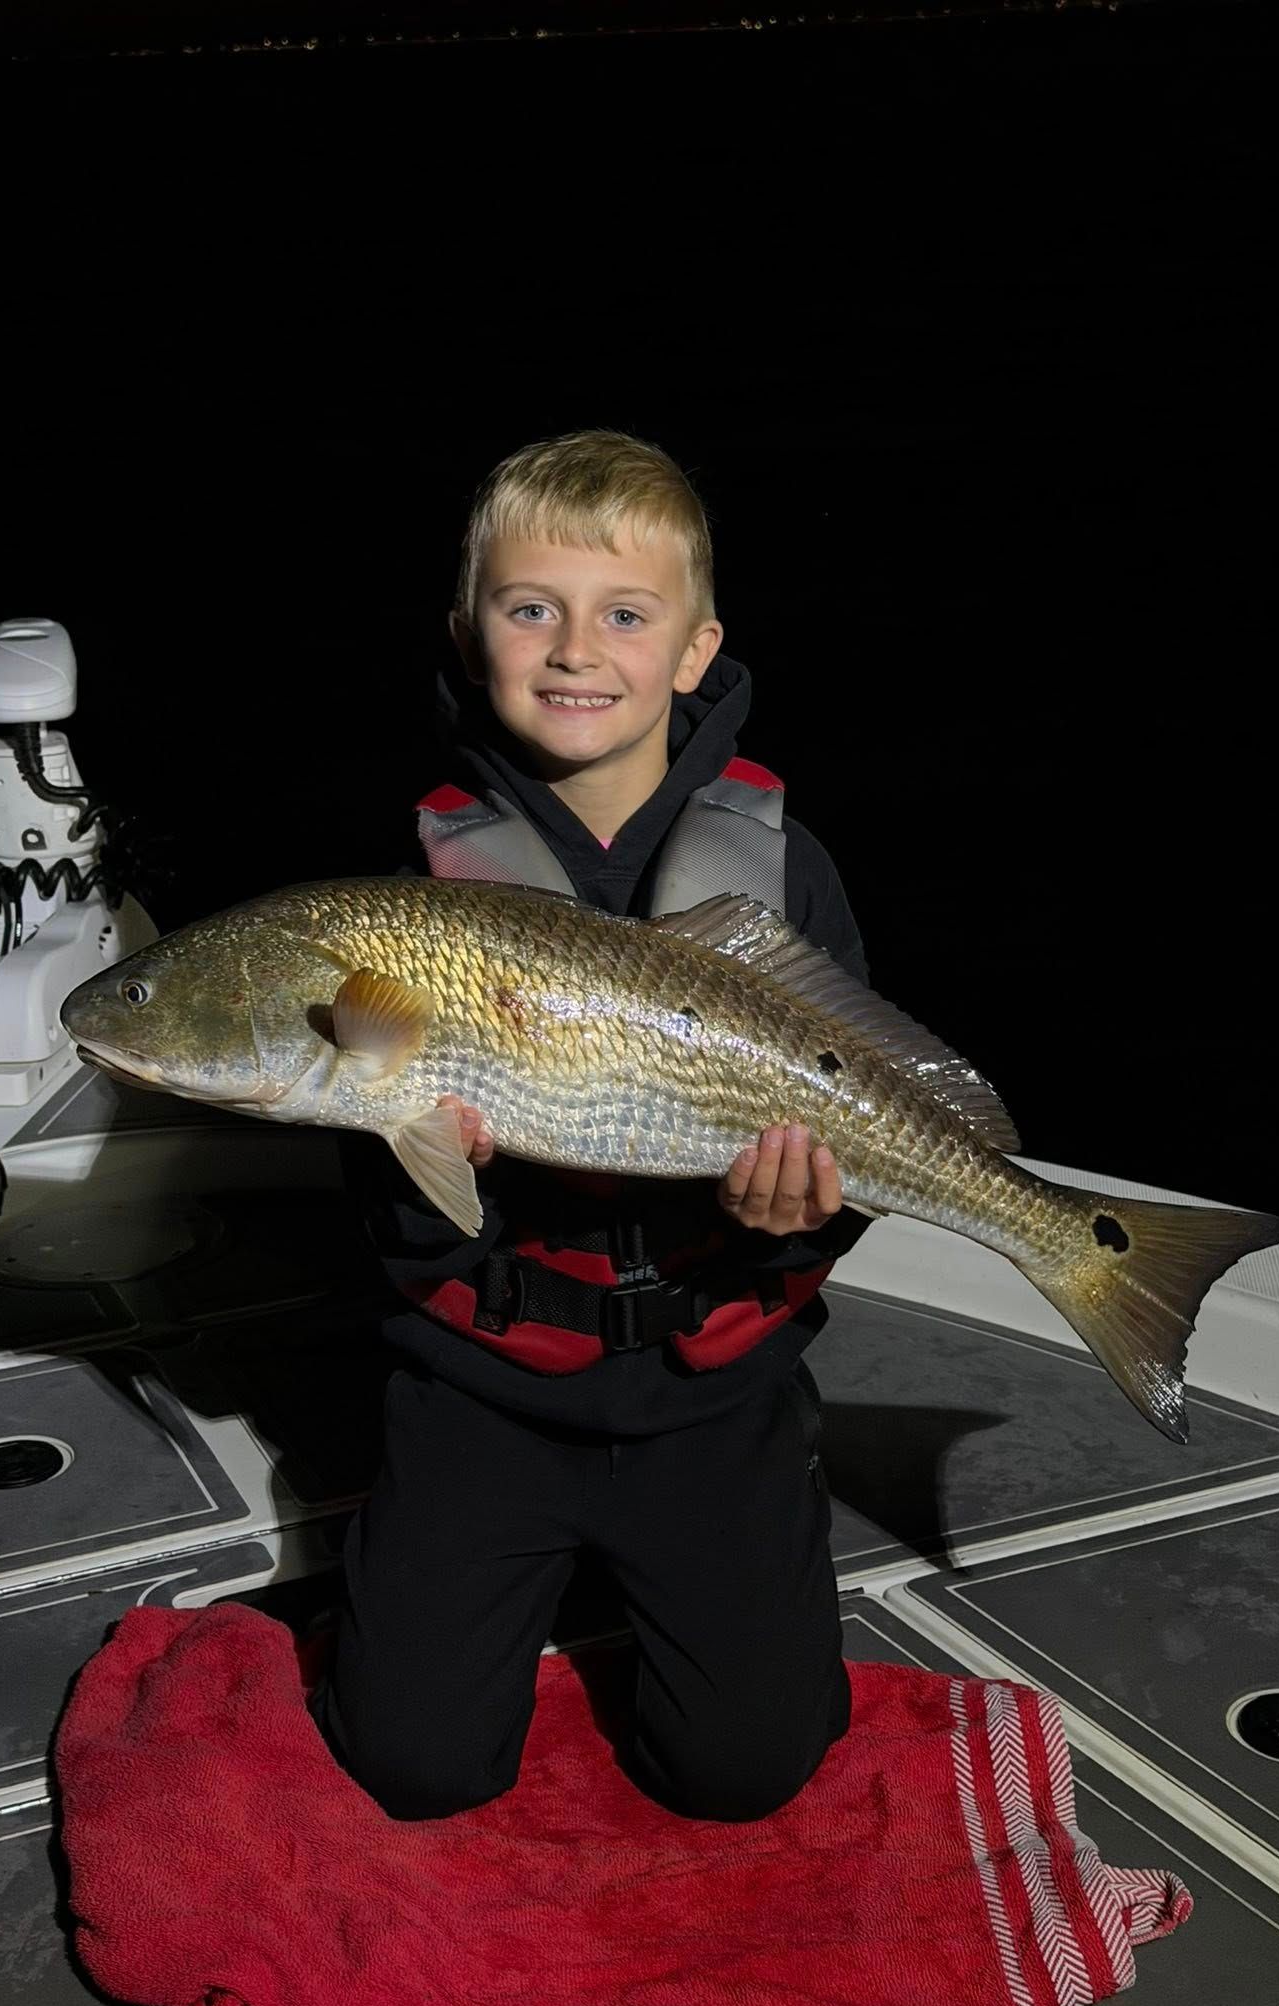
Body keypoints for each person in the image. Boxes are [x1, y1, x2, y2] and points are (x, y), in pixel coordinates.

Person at [309, 428, 873, 1824]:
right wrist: (416, 1154)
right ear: (469, 632)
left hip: (712, 1390)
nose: (574, 648)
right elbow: (383, 1208)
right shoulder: (411, 900)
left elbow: (859, 1125)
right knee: (413, 1765)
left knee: (745, 1775)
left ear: (695, 650)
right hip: (483, 1397)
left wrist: (806, 1217)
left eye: (624, 614)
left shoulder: (783, 872)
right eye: (529, 609)